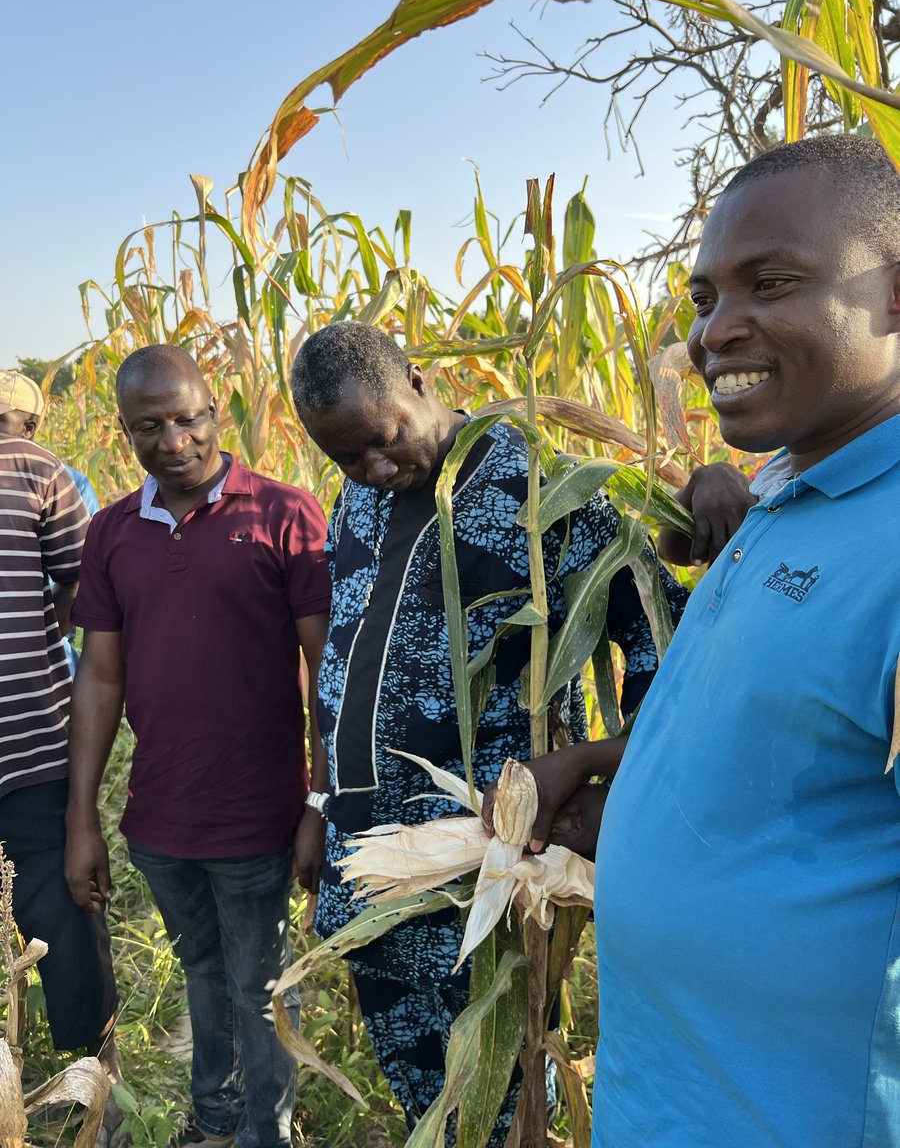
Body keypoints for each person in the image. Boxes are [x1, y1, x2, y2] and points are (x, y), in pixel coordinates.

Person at [489, 134, 900, 1148]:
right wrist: (614, 774)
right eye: (706, 298)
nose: (716, 332)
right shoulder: (782, 492)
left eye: (772, 283)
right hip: (666, 1095)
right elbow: (781, 726)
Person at [289, 320, 690, 1144]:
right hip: (367, 860)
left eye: (385, 439)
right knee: (424, 1091)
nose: (374, 469)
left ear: (418, 381)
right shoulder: (357, 498)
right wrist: (322, 804)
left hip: (483, 866)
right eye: (346, 457)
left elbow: (657, 632)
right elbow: (347, 663)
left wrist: (614, 771)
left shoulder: (540, 486)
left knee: (500, 1087)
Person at [64, 345, 332, 1148]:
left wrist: (320, 801)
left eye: (188, 419)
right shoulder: (112, 532)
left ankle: (264, 1133)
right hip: (161, 821)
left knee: (260, 984)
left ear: (216, 412)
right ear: (125, 432)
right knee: (203, 973)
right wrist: (82, 819)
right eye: (150, 427)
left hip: (258, 814)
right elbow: (99, 679)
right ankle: (213, 1119)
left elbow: (327, 672)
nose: (174, 441)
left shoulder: (284, 515)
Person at [0, 375, 120, 1078]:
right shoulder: (42, 469)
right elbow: (83, 594)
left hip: (32, 739)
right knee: (64, 920)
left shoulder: (43, 472)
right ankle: (97, 1083)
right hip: (33, 736)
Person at [0, 370, 102, 673]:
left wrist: (29, 643)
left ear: (28, 428)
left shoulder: (63, 481)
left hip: (38, 660)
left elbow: (79, 579)